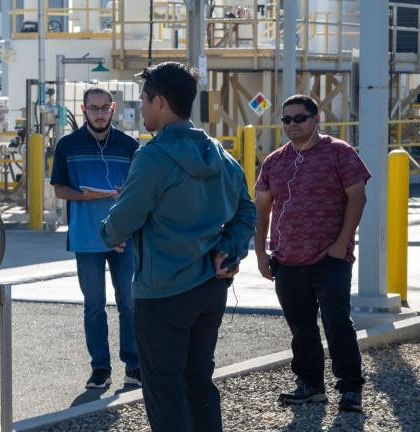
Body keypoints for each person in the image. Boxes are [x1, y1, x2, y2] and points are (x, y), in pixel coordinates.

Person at [99, 62, 256, 432]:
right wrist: (228, 247)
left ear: (162, 102)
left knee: (163, 388)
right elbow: (246, 210)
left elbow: (121, 222)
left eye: (144, 100)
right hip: (210, 286)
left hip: (163, 289)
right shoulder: (219, 153)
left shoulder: (153, 157)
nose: (141, 108)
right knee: (199, 381)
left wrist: (111, 231)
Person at [254, 94, 368, 413]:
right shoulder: (275, 161)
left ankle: (350, 388)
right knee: (301, 328)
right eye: (286, 119)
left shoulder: (339, 152)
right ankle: (310, 386)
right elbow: (261, 209)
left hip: (329, 259)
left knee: (336, 324)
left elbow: (357, 198)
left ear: (316, 119)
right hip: (286, 260)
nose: (293, 124)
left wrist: (341, 244)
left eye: (300, 118)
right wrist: (261, 254)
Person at [50, 87, 141, 390]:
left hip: (125, 237)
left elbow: (141, 189)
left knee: (129, 302)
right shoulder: (67, 145)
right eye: (93, 108)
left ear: (113, 108)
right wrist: (84, 196)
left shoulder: (130, 145)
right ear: (83, 109)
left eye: (104, 108)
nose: (99, 113)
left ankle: (134, 364)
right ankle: (100, 368)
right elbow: (60, 189)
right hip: (86, 238)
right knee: (94, 305)